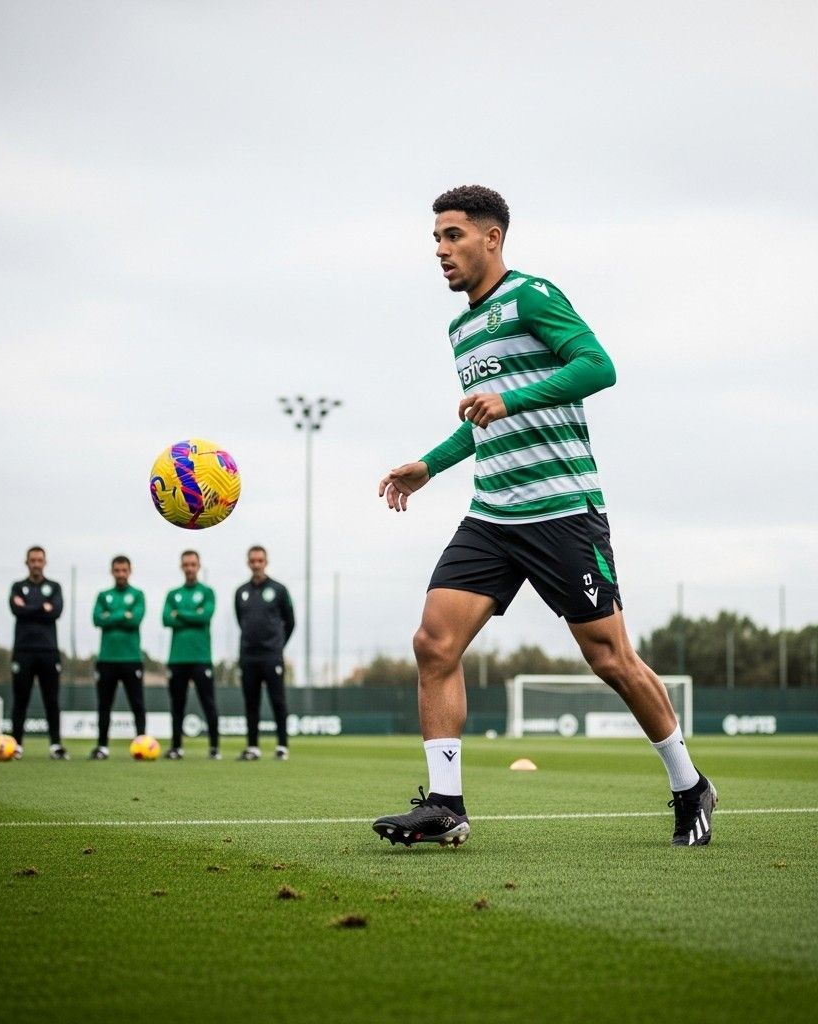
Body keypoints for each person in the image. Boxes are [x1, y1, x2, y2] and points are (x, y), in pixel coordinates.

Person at [373, 185, 715, 849]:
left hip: (562, 510)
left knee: (611, 659)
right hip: (492, 513)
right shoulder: (460, 327)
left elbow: (598, 366)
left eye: (453, 236)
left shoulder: (532, 295)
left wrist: (514, 397)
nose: (440, 251)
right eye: (436, 239)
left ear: (491, 238)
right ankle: (446, 805)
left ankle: (689, 784)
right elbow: (485, 422)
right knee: (433, 644)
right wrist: (429, 464)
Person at [234, 546, 295, 761]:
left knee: (278, 701)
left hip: (272, 656)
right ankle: (253, 747)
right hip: (248, 656)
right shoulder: (241, 591)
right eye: (253, 561)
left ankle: (282, 746)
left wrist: (278, 646)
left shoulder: (279, 589)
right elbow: (240, 620)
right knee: (251, 703)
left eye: (260, 560)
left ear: (266, 562)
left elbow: (291, 622)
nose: (256, 564)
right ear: (248, 562)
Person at [9, 546, 68, 760]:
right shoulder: (17, 586)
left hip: (48, 651)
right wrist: (42, 608)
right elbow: (17, 611)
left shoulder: (54, 586)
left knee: (51, 700)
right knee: (20, 700)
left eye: (39, 560)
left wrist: (28, 608)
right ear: (27, 563)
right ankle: (16, 746)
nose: (36, 564)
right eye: (32, 560)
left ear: (45, 562)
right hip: (23, 651)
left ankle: (55, 745)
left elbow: (57, 611)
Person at [162, 550, 220, 760]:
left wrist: (181, 614)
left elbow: (205, 616)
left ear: (199, 566)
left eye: (193, 564)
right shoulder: (173, 594)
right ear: (181, 566)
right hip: (177, 659)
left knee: (209, 704)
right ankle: (176, 747)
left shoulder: (207, 592)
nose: (189, 568)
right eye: (186, 564)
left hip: (201, 658)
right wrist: (192, 615)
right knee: (177, 705)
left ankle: (214, 748)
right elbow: (166, 619)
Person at [88, 555, 146, 760]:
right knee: (104, 705)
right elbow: (96, 619)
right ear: (112, 571)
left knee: (137, 704)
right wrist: (124, 614)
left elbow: (135, 619)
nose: (121, 574)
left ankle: (142, 744)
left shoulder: (138, 595)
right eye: (117, 570)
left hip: (131, 659)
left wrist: (110, 616)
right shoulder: (103, 595)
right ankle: (102, 746)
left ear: (130, 571)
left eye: (124, 570)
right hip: (106, 660)